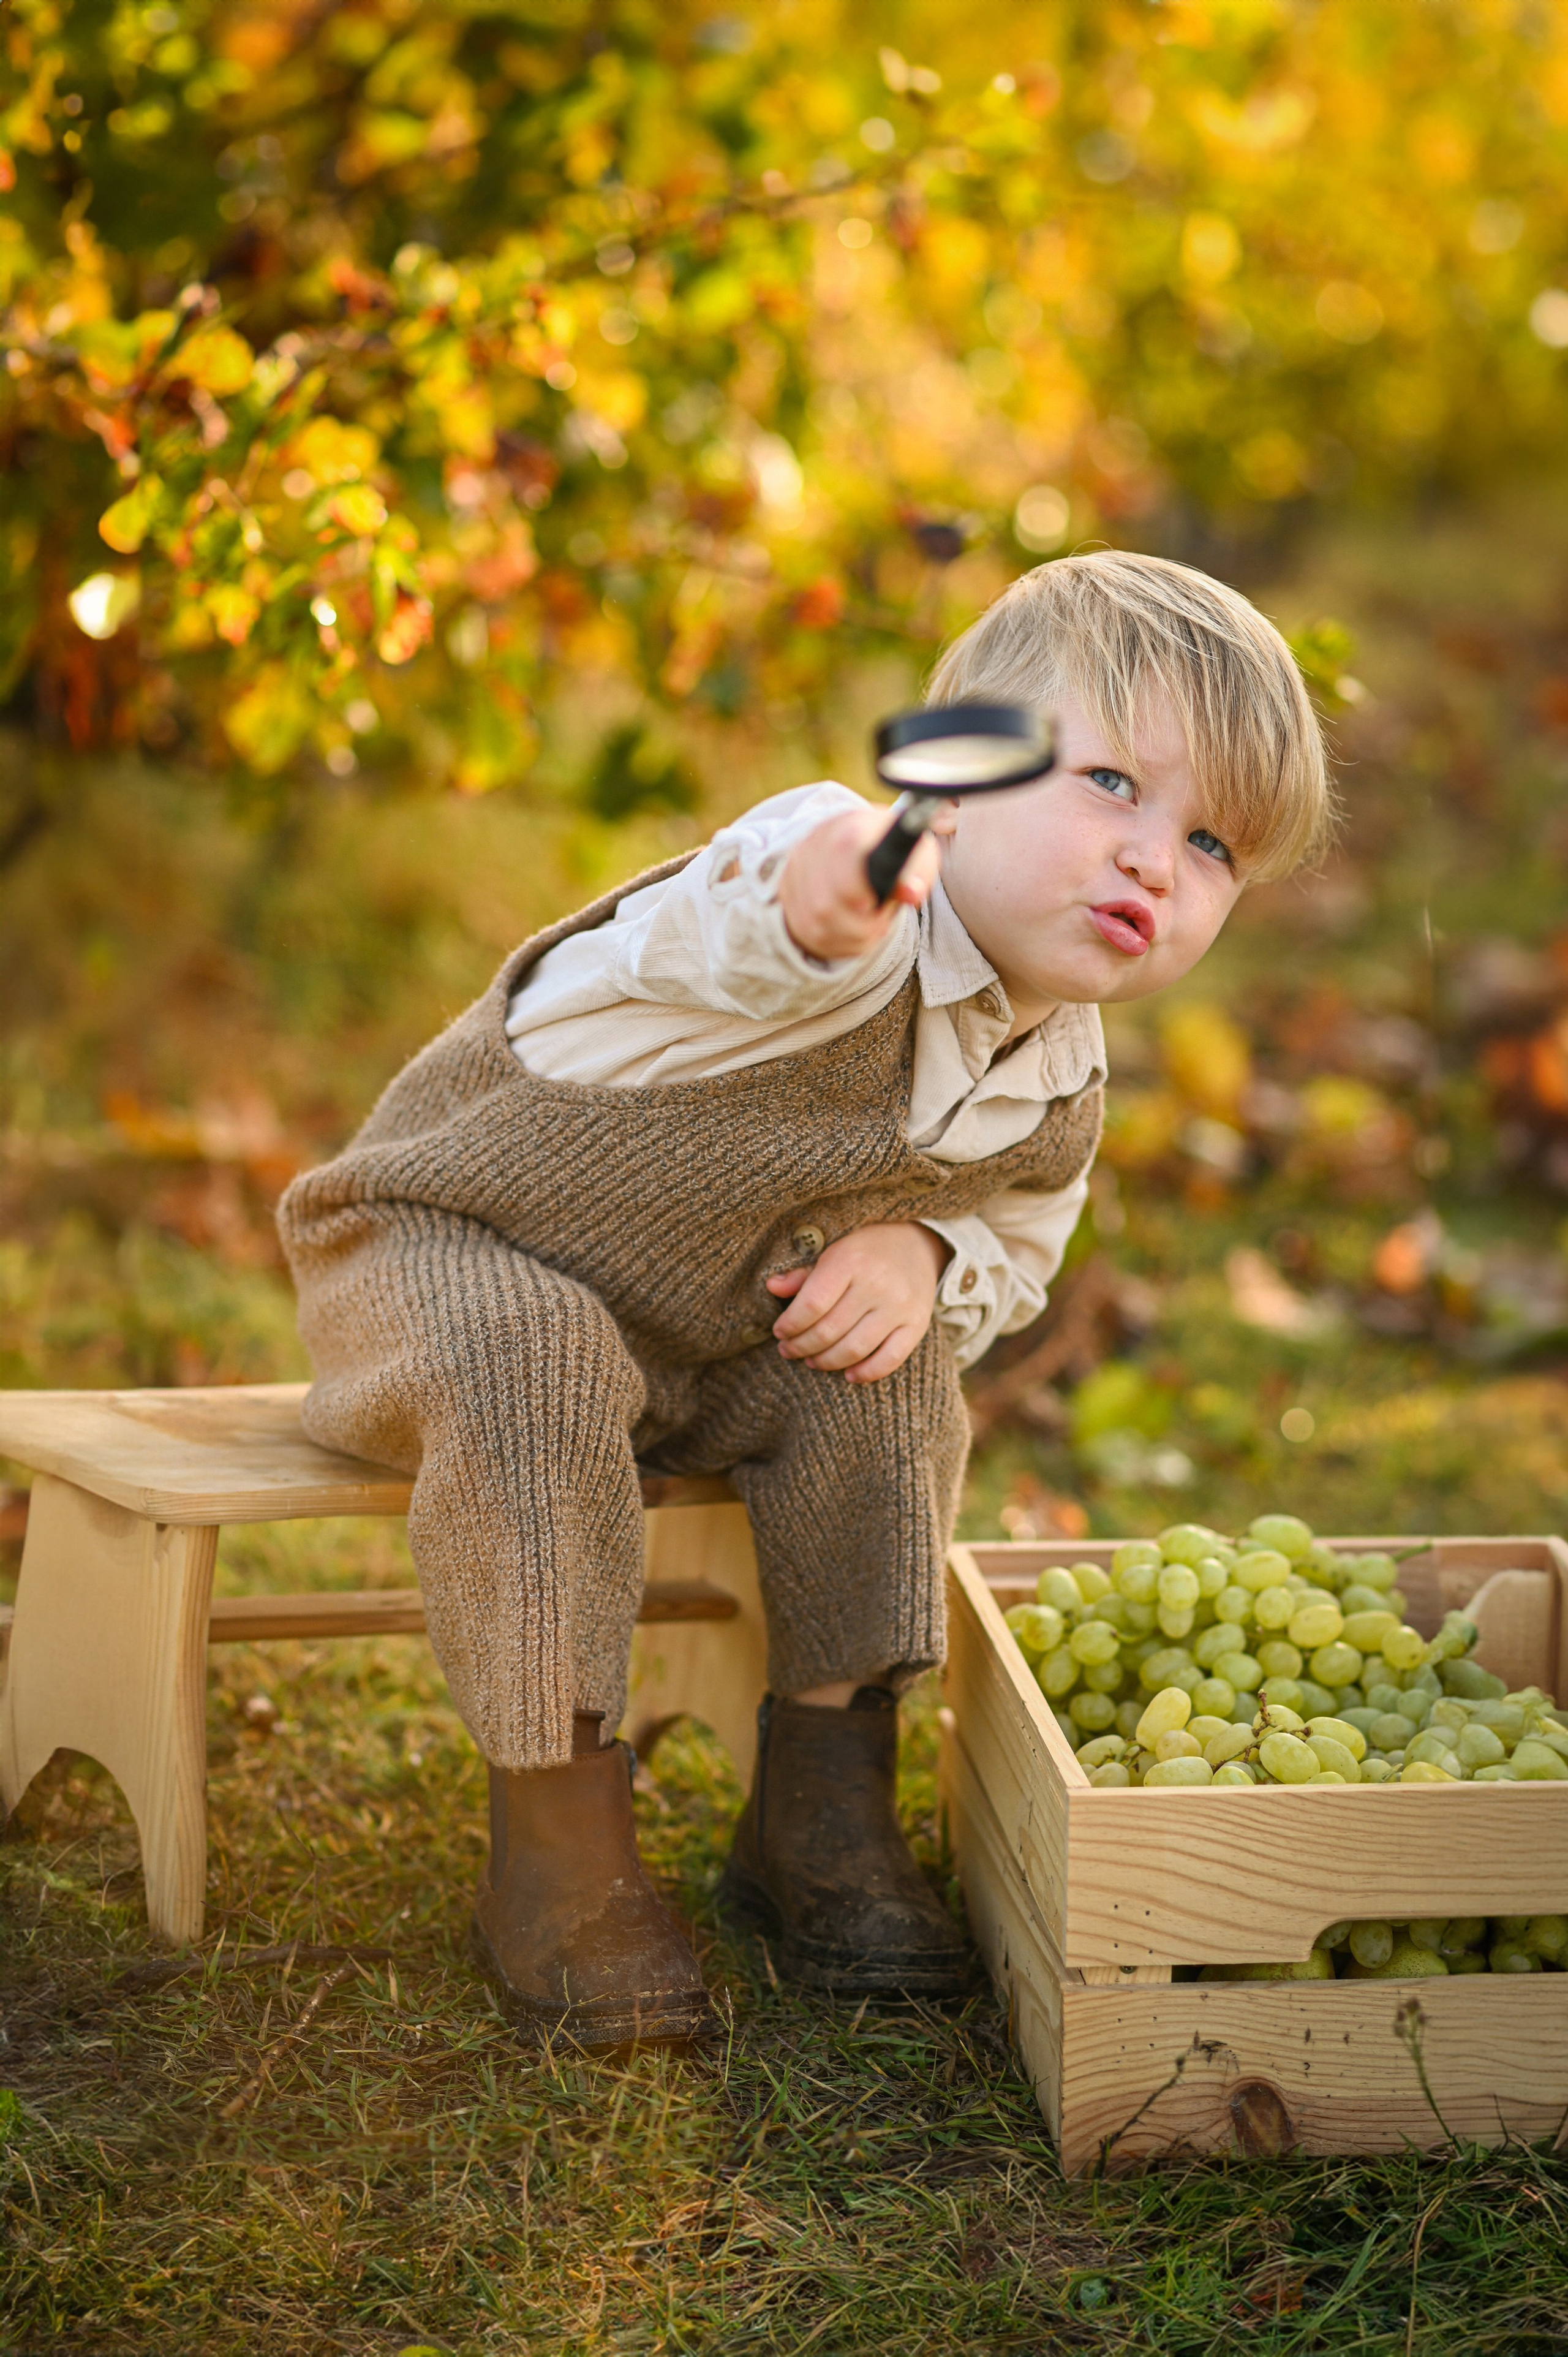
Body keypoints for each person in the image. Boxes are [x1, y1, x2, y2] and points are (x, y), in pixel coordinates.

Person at [276, 551, 1333, 2051]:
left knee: (887, 1373)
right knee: (536, 1358)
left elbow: (1016, 1245)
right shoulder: (842, 904)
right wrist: (829, 891)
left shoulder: (1057, 1073)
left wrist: (926, 1254)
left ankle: (822, 1802)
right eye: (1108, 783)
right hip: (443, 1251)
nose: (1155, 861)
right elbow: (750, 909)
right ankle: (557, 1844)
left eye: (1213, 842)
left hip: (695, 1331)